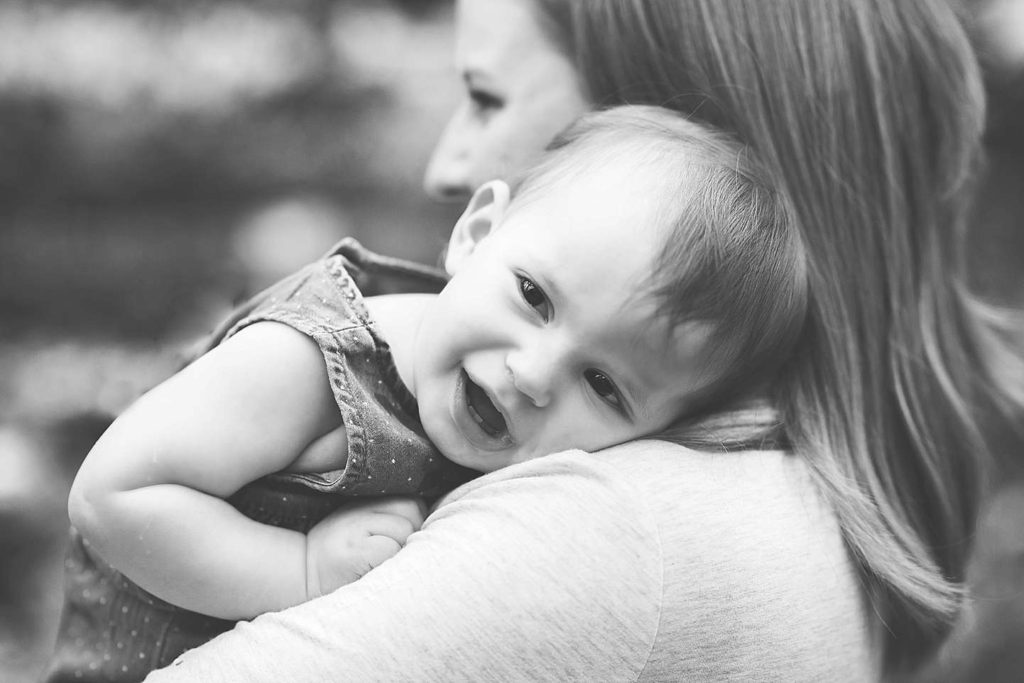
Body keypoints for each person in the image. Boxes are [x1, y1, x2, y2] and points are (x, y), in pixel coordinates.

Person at [134, 0, 1022, 680]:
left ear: (665, 123)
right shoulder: (765, 499)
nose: (447, 167)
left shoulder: (607, 526)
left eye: (486, 96)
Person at [46, 105, 807, 682]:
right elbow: (113, 496)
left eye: (605, 385)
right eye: (536, 297)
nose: (535, 373)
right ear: (475, 232)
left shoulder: (549, 479)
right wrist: (303, 572)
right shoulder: (317, 358)